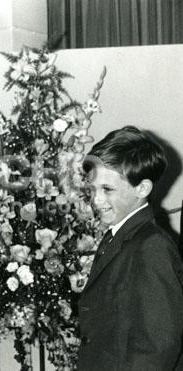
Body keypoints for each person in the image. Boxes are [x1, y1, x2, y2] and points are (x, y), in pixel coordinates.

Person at [78, 125, 183, 370]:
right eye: (93, 189)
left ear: (142, 188)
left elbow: (158, 348)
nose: (97, 200)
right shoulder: (119, 236)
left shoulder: (151, 247)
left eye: (108, 189)